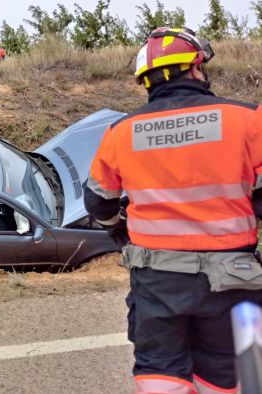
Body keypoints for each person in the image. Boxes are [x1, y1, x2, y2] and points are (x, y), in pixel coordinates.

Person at [83, 27, 262, 394]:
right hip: (234, 277)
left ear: (146, 79)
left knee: (159, 373)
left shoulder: (121, 131)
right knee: (234, 375)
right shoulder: (247, 119)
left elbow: (98, 202)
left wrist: (118, 230)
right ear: (196, 68)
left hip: (157, 279)